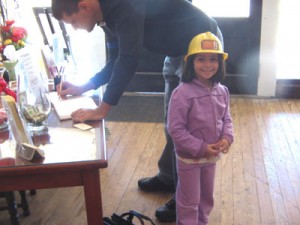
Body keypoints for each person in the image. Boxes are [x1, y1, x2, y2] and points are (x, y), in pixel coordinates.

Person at [51, 0, 224, 222]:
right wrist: (84, 86)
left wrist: (102, 109)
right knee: (172, 124)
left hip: (201, 49)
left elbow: (129, 59)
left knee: (188, 130)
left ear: (84, 6)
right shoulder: (105, 14)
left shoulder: (124, 5)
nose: (75, 28)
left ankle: (187, 197)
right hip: (176, 48)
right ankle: (169, 177)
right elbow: (115, 59)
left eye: (73, 21)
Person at [167, 32, 234, 224]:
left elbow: (227, 118)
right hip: (189, 159)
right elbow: (176, 130)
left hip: (210, 158)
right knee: (189, 201)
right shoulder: (182, 93)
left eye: (213, 59)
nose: (208, 64)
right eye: (201, 59)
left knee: (206, 198)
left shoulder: (222, 91)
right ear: (191, 62)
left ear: (220, 62)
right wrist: (202, 147)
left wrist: (227, 137)